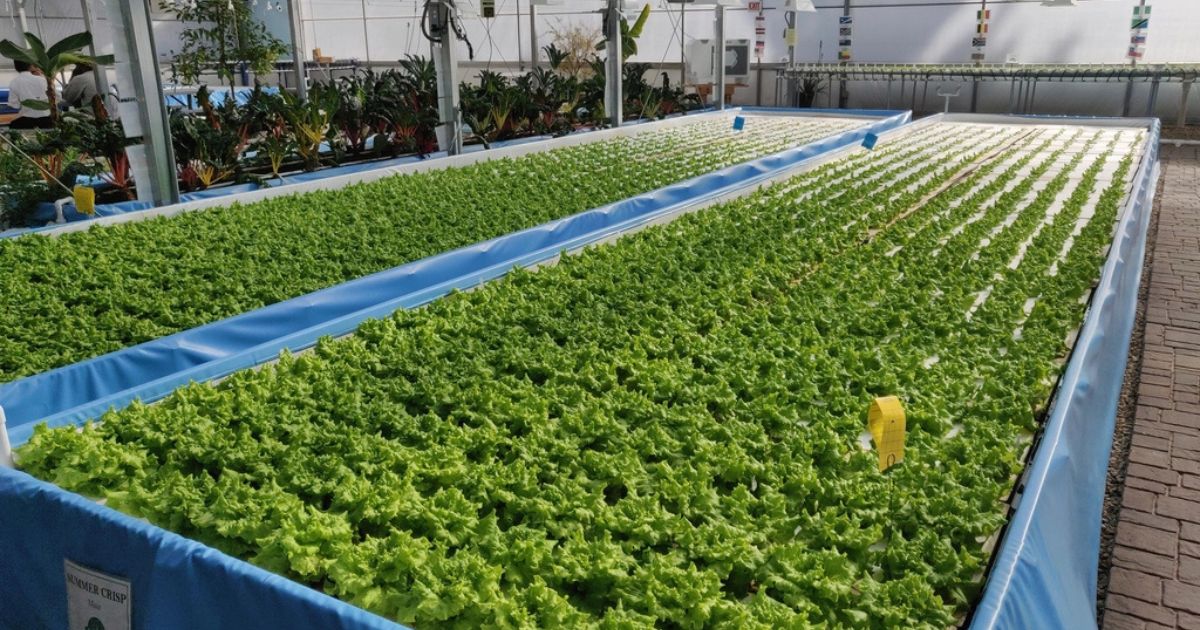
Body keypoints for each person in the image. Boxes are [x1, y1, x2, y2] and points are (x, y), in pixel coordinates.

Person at [6, 60, 53, 129]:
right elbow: (57, 97)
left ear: (16, 68)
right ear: (31, 66)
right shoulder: (42, 80)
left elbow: (15, 105)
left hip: (26, 121)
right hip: (47, 120)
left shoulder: (14, 82)